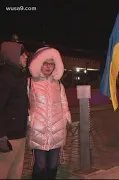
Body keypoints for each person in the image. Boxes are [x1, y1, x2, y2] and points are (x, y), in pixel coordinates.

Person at [28, 47, 72, 179]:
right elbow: (23, 103)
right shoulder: (30, 83)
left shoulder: (59, 85)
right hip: (38, 130)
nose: (48, 67)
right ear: (38, 64)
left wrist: (66, 117)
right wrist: (30, 118)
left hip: (57, 130)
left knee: (53, 165)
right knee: (40, 165)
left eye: (51, 64)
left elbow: (64, 103)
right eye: (45, 63)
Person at [0, 41, 29, 179]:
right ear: (12, 55)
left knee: (15, 173)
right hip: (8, 137)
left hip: (19, 134)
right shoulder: (5, 77)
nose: (26, 56)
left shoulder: (18, 75)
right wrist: (1, 136)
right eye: (22, 54)